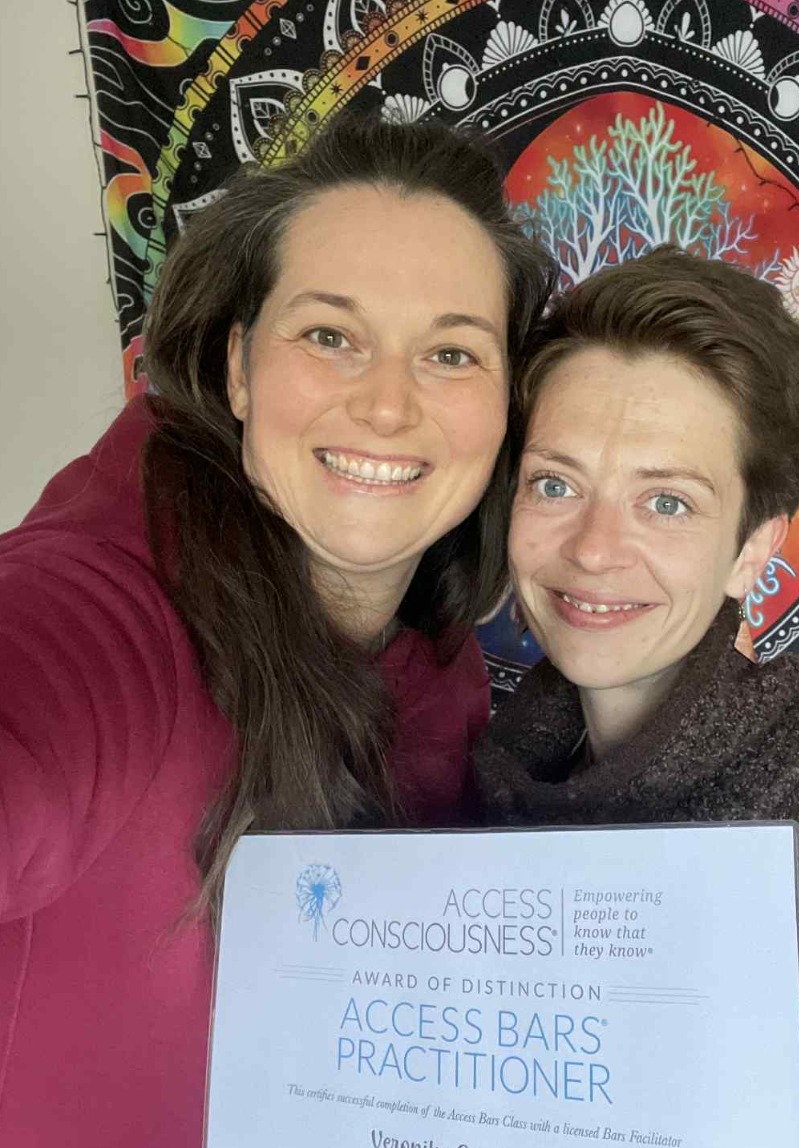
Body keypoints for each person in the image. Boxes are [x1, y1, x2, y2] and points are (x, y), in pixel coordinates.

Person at [0, 115, 555, 1146]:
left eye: (450, 352)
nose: (386, 405)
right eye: (330, 335)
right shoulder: (98, 613)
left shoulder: (448, 663)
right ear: (240, 367)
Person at [475, 246, 799, 1147]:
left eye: (666, 502)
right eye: (555, 484)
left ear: (751, 549)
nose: (592, 549)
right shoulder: (472, 796)